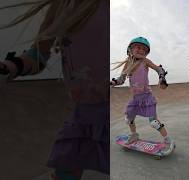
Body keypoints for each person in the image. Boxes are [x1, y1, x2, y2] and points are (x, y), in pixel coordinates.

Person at [0, 0, 109, 179]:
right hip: (84, 118)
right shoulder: (64, 5)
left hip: (114, 114)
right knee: (66, 169)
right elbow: (37, 57)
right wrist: (9, 68)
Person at [111, 36, 175, 152]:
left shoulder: (145, 61)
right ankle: (134, 134)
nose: (141, 51)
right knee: (128, 118)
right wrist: (113, 82)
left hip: (147, 97)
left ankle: (168, 140)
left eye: (144, 50)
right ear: (130, 49)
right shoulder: (127, 64)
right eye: (138, 47)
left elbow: (159, 69)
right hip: (135, 99)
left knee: (154, 122)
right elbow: (121, 79)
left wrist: (162, 79)